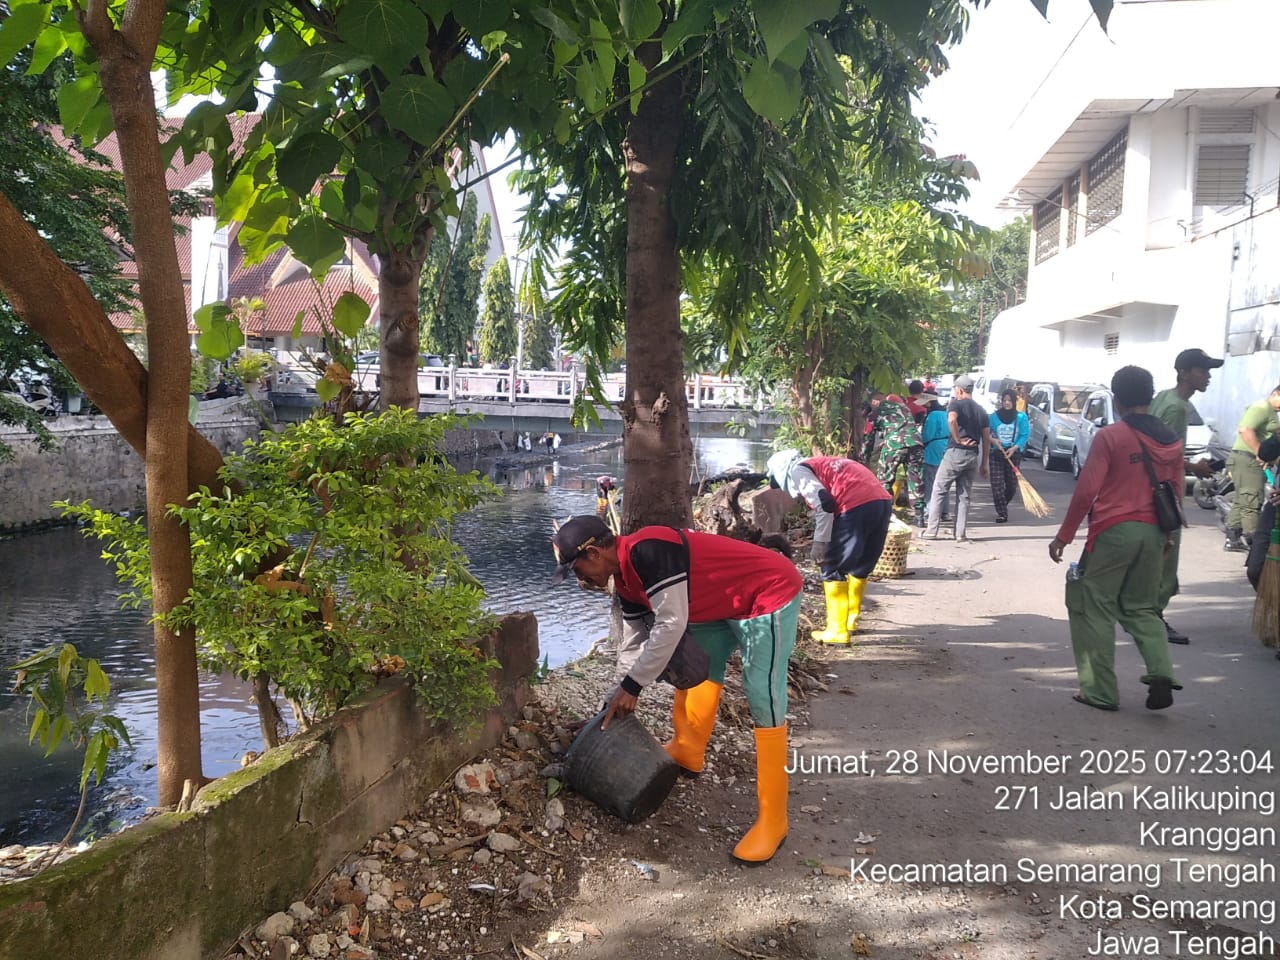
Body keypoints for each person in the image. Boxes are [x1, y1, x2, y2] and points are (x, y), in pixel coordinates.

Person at [550, 515, 802, 863]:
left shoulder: (650, 551)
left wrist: (634, 686)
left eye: (577, 570)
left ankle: (774, 821)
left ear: (594, 553)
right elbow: (635, 640)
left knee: (763, 695)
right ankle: (688, 749)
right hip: (722, 603)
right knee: (705, 670)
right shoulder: (623, 578)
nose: (580, 580)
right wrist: (617, 693)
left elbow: (670, 624)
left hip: (766, 593)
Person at [1048, 365, 1182, 712]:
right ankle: (1161, 671)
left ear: (1117, 399)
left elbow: (1086, 491)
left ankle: (1100, 692)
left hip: (1114, 531)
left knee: (1093, 606)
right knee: (1142, 608)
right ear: (1150, 397)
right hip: (1155, 532)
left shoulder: (1111, 437)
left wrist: (1063, 536)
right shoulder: (1171, 439)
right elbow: (1177, 492)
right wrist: (1168, 536)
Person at [767, 450, 892, 644]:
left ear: (782, 470)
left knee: (832, 566)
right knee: (861, 563)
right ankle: (851, 620)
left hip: (855, 504)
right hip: (881, 503)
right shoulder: (825, 462)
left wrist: (820, 543)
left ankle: (837, 631)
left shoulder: (799, 470)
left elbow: (825, 503)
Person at [1149, 348, 1223, 643]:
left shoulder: (1163, 398)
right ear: (1183, 372)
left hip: (1153, 488)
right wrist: (1196, 467)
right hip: (1168, 491)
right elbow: (1166, 453)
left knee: (1157, 555)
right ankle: (1153, 618)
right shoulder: (1178, 408)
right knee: (1167, 556)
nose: (1208, 376)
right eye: (1202, 370)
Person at [924, 374, 990, 542]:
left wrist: (958, 439)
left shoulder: (956, 404)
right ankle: (960, 534)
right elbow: (987, 438)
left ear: (959, 390)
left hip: (955, 453)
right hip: (973, 455)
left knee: (939, 489)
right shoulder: (981, 410)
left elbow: (952, 420)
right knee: (964, 495)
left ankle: (931, 531)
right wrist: (984, 463)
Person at [1225, 384, 1280, 552]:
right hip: (1247, 459)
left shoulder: (1272, 413)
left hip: (1252, 460)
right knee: (1251, 501)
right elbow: (1245, 430)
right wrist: (1259, 452)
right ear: (1276, 393)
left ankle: (1232, 539)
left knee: (1243, 499)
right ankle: (1254, 543)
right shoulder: (1261, 407)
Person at [871, 394, 926, 526]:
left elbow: (870, 436)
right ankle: (919, 516)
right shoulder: (904, 408)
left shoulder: (879, 409)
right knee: (916, 478)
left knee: (885, 479)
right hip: (915, 443)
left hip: (894, 445)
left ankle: (886, 515)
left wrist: (863, 456)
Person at [987, 389, 1030, 523]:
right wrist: (993, 440)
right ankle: (1002, 513)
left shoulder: (1021, 417)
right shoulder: (993, 417)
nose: (1006, 403)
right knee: (997, 485)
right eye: (1004, 400)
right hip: (996, 454)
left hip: (1013, 453)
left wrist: (1015, 447)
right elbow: (987, 433)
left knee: (1011, 486)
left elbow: (1024, 434)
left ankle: (1002, 503)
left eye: (1009, 401)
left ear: (1014, 402)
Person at [920, 391, 951, 526]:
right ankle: (945, 511)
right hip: (946, 447)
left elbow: (927, 434)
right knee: (944, 482)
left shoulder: (932, 415)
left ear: (928, 402)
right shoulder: (945, 413)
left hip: (933, 449)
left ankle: (930, 511)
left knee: (931, 481)